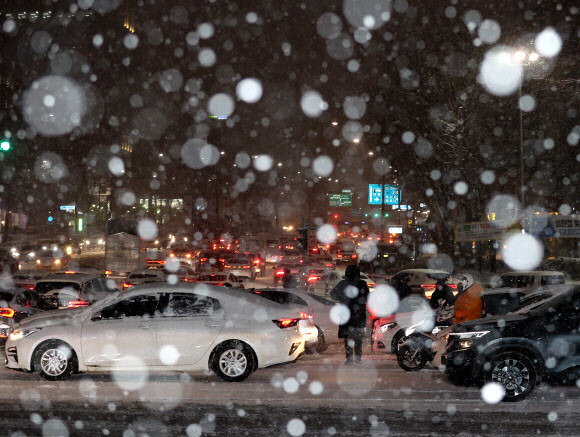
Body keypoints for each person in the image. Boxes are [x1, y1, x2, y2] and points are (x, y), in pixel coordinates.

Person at [330, 265, 370, 365]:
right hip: (359, 316)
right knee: (358, 339)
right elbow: (367, 297)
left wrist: (342, 297)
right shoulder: (362, 284)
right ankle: (358, 358)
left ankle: (349, 359)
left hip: (346, 315)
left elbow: (333, 295)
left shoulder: (342, 284)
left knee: (348, 338)